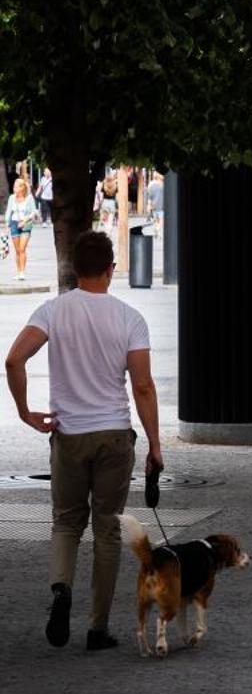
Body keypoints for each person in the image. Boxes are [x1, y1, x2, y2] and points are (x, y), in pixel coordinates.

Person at [6, 231, 160, 652]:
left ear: (74, 269)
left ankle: (61, 589)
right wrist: (155, 446)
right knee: (107, 528)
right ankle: (98, 628)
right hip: (113, 435)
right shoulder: (130, 318)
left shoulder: (53, 311)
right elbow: (143, 386)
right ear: (112, 269)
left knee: (66, 522)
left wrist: (24, 410)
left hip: (68, 434)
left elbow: (14, 359)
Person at [8, 175, 37, 281]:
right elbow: (8, 212)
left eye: (16, 186)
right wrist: (7, 225)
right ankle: (18, 271)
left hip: (26, 224)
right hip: (14, 224)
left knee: (22, 249)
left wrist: (25, 220)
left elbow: (34, 211)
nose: (14, 188)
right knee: (17, 250)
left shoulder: (29, 198)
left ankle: (22, 272)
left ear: (22, 188)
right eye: (14, 186)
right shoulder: (12, 198)